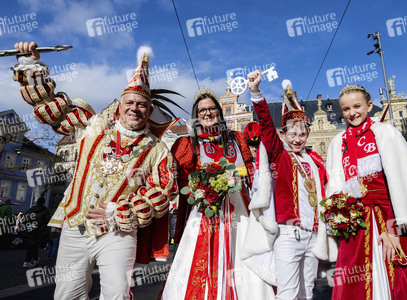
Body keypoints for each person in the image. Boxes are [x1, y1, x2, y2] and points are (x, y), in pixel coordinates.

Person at [12, 41, 178, 299]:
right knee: (67, 294)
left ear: (150, 110)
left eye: (141, 105)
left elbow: (162, 192)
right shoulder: (94, 125)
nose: (135, 108)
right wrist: (31, 66)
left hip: (118, 232)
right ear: (120, 105)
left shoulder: (157, 150)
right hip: (74, 226)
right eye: (130, 102)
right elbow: (53, 111)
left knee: (117, 294)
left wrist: (121, 210)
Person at [314, 84, 407, 299]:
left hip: (388, 219)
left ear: (369, 105)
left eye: (357, 106)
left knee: (399, 273)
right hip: (354, 227)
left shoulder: (386, 134)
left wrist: (395, 231)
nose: (352, 112)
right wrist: (337, 215)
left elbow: (402, 184)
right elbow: (335, 189)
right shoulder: (337, 143)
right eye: (346, 109)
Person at [161, 88, 275, 299]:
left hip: (239, 208)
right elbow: (179, 177)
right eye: (202, 110)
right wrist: (199, 191)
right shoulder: (188, 143)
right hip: (205, 210)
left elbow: (252, 172)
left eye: (212, 108)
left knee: (242, 254)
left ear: (219, 112)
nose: (207, 113)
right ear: (196, 114)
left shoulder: (237, 138)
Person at [248, 72, 328, 300]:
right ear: (283, 134)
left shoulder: (316, 161)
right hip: (289, 234)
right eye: (292, 133)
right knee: (288, 293)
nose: (297, 138)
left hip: (313, 234)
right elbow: (265, 125)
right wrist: (256, 93)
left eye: (302, 133)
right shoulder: (279, 156)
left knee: (308, 291)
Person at [22, 197, 51, 267]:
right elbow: (48, 221)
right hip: (39, 231)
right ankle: (27, 261)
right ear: (43, 203)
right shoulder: (45, 211)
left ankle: (35, 259)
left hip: (29, 229)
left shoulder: (30, 209)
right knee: (33, 245)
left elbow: (24, 219)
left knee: (33, 245)